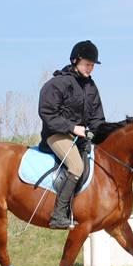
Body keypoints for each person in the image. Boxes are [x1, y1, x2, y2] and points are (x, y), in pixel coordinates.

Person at [38, 40, 106, 229]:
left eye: (92, 65)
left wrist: (97, 131)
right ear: (75, 60)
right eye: (87, 64)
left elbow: (97, 117)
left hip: (81, 137)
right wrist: (72, 128)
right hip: (56, 134)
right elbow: (47, 112)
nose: (90, 69)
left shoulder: (91, 87)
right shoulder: (58, 83)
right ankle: (58, 215)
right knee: (76, 166)